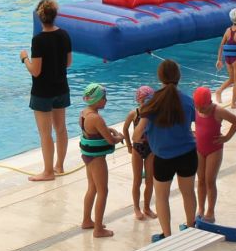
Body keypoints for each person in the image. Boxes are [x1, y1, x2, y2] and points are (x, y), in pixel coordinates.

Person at [131, 59, 198, 238]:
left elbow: (136, 134)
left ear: (159, 77)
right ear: (179, 77)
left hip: (163, 157)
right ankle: (192, 227)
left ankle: (167, 235)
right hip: (188, 154)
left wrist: (148, 136)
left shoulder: (151, 102)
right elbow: (197, 123)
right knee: (188, 193)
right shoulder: (188, 100)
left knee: (162, 197)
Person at [21, 0, 72, 181]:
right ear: (54, 15)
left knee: (45, 133)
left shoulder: (38, 40)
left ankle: (48, 172)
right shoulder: (64, 35)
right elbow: (68, 63)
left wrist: (24, 58)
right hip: (61, 88)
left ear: (40, 17)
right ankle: (59, 166)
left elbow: (36, 71)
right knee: (61, 129)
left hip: (42, 92)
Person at [77, 84, 122, 238]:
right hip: (97, 159)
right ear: (96, 100)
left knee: (92, 188)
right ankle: (98, 229)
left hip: (87, 157)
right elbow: (110, 140)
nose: (106, 101)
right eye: (104, 98)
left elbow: (94, 131)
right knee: (103, 191)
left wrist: (107, 129)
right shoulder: (96, 118)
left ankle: (87, 220)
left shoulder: (84, 113)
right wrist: (120, 137)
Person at [192, 87, 236, 224]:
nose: (200, 110)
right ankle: (200, 209)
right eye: (198, 107)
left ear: (210, 102)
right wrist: (192, 132)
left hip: (214, 150)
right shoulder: (196, 109)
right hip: (199, 149)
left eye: (203, 108)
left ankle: (210, 211)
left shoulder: (218, 111)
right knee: (200, 180)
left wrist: (227, 137)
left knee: (210, 181)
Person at [122, 85, 156, 222]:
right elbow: (125, 129)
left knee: (149, 180)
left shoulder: (154, 115)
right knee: (137, 180)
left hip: (151, 149)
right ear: (138, 100)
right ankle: (136, 207)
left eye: (147, 101)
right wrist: (129, 146)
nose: (144, 104)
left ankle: (147, 207)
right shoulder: (134, 114)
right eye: (142, 101)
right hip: (137, 148)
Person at [215, 7, 236, 109]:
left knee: (232, 79)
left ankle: (219, 91)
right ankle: (233, 103)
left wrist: (219, 59)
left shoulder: (227, 30)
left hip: (228, 58)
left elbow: (221, 45)